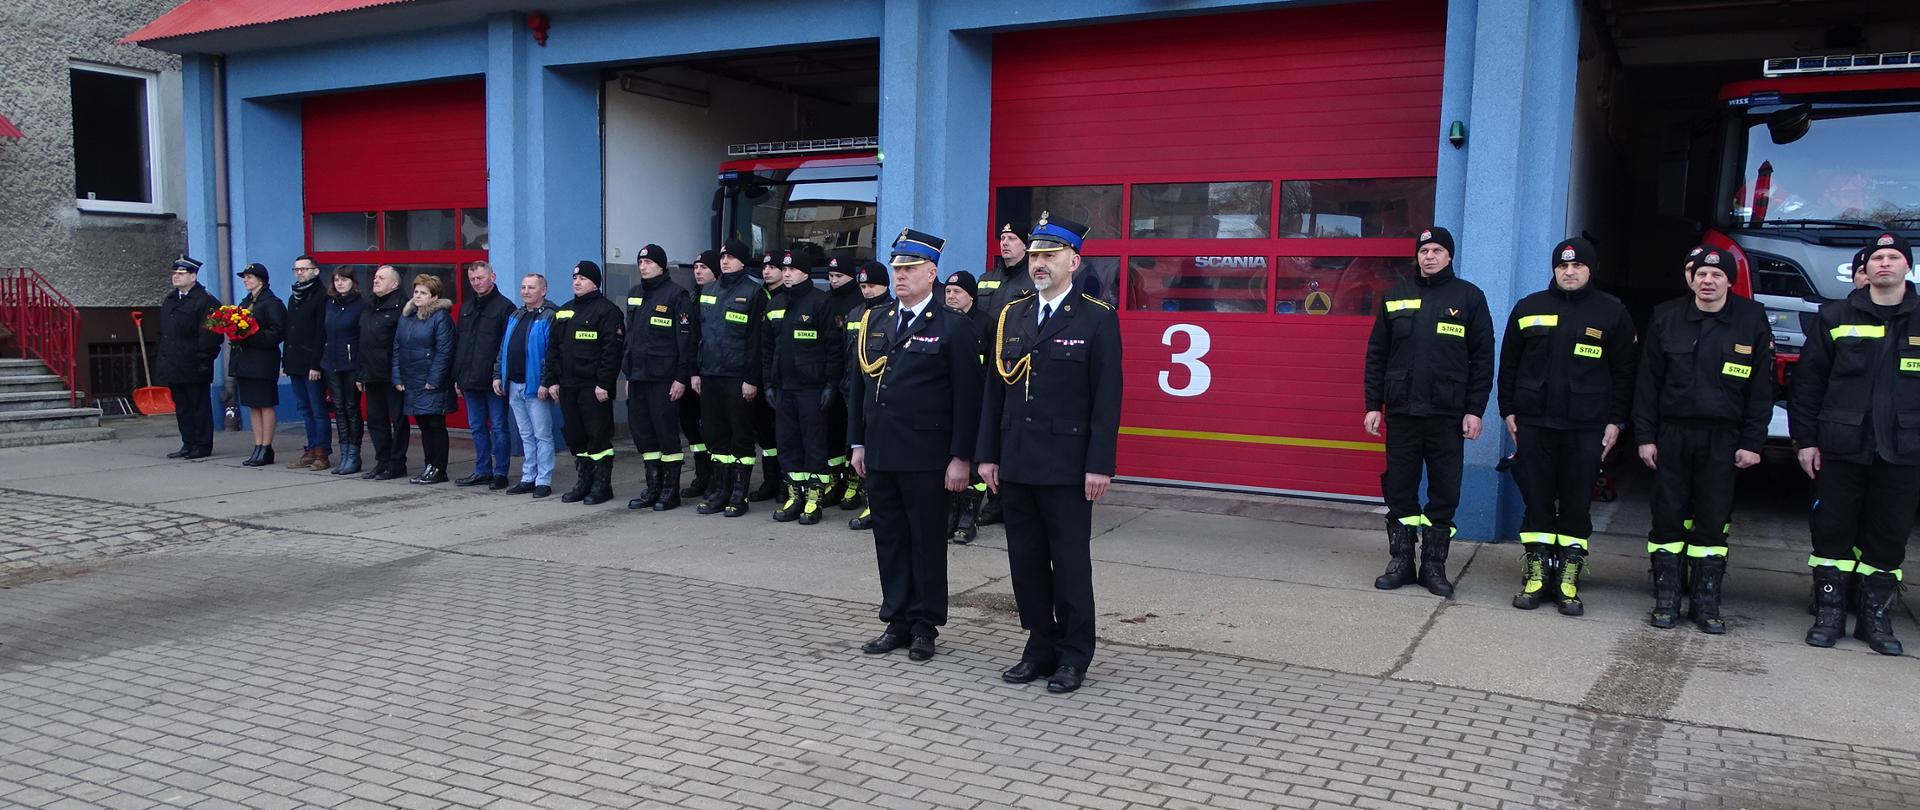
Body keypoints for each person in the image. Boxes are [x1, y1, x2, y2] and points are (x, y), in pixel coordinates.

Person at [977, 214, 1122, 695]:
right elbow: (994, 391)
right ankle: (1039, 645)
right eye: (1035, 255)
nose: (1039, 263)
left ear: (1073, 261)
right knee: (1026, 563)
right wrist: (987, 455)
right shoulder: (1012, 314)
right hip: (1017, 459)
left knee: (1070, 564)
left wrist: (1099, 464)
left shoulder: (1097, 317)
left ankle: (1074, 655)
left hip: (1067, 466)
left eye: (1050, 255)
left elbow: (1107, 398)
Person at [850, 228, 982, 664]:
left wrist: (961, 457)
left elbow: (968, 398)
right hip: (881, 450)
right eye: (896, 268)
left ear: (931, 273)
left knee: (926, 541)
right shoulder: (878, 320)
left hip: (927, 456)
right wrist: (857, 443)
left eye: (909, 268)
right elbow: (859, 387)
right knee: (889, 539)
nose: (900, 275)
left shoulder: (953, 326)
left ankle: (925, 625)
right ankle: (897, 619)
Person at [1791, 231, 1920, 656]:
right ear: (1864, 268)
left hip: (1904, 450)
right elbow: (1808, 384)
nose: (1885, 264)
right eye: (1877, 258)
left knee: (1889, 537)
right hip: (1841, 445)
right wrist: (1806, 440)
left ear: (1907, 266)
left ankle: (1874, 620)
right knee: (1832, 533)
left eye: (1893, 257)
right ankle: (1829, 615)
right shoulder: (1835, 316)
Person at [1633, 246, 1773, 634]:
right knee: (1667, 516)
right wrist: (1645, 436)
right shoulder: (1666, 316)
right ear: (1691, 279)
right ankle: (1666, 599)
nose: (1708, 281)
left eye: (1717, 275)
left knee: (1712, 521)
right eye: (1701, 275)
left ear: (1730, 281)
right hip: (1672, 434)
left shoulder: (1751, 320)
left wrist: (1753, 442)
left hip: (1723, 438)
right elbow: (1647, 383)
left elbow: (1761, 390)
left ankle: (1706, 602)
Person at [1498, 238, 1636, 616]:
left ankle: (1568, 577)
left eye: (1577, 266)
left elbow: (1625, 373)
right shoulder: (1529, 307)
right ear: (1555, 269)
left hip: (1587, 427)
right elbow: (1509, 364)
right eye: (1563, 266)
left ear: (1590, 269)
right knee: (1537, 500)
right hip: (1534, 423)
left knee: (1576, 502)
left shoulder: (1612, 312)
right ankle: (1537, 574)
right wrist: (1507, 410)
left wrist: (1617, 421)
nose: (1569, 272)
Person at [1361, 227, 1495, 597]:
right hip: (1403, 412)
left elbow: (1483, 359)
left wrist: (1475, 410)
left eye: (1437, 250)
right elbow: (1377, 356)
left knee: (1444, 491)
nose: (1430, 256)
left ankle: (1434, 567)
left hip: (1447, 415)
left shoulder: (1469, 297)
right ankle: (1401, 561)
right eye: (1424, 251)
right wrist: (1373, 405)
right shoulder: (1395, 296)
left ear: (1449, 255)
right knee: (1399, 488)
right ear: (1417, 257)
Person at [764, 250, 844, 525]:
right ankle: (794, 497)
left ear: (806, 273)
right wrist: (768, 383)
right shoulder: (775, 303)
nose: (787, 274)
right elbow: (767, 348)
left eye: (792, 270)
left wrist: (831, 384)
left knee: (814, 446)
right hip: (783, 388)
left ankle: (813, 500)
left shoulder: (821, 302)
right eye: (784, 270)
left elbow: (834, 348)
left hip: (812, 388)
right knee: (787, 445)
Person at [692, 241, 767, 517]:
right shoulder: (708, 291)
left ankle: (738, 494)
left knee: (741, 436)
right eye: (723, 256)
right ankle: (720, 490)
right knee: (715, 435)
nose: (725, 261)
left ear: (743, 262)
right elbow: (699, 335)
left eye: (731, 257)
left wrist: (751, 378)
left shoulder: (754, 293)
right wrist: (696, 371)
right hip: (710, 374)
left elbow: (756, 342)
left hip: (737, 376)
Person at [543, 260, 626, 505]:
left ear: (595, 283)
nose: (577, 282)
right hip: (568, 385)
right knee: (576, 435)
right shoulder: (564, 311)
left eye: (583, 278)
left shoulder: (607, 311)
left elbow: (612, 352)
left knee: (598, 436)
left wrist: (604, 383)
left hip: (593, 387)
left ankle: (602, 485)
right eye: (575, 278)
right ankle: (584, 482)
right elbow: (553, 349)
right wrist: (552, 380)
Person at [622, 244, 696, 511]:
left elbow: (685, 341)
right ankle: (653, 488)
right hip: (638, 377)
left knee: (666, 434)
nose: (643, 267)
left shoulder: (677, 295)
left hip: (664, 378)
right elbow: (630, 338)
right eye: (640, 262)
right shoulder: (634, 294)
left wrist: (681, 378)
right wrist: (629, 374)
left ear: (661, 266)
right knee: (644, 435)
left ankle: (670, 491)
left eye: (649, 263)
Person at [975, 222, 1036, 530]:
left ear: (1026, 244)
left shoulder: (1033, 279)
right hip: (985, 365)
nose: (1005, 243)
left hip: (1016, 366)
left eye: (1012, 238)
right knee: (987, 430)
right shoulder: (987, 278)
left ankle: (1010, 500)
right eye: (1002, 237)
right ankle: (993, 498)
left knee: (1011, 431)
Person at [453, 260, 517, 489]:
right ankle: (482, 470)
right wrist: (458, 377)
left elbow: (506, 347)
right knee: (477, 427)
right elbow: (460, 345)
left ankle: (500, 473)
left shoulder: (505, 307)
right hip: (469, 380)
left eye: (480, 278)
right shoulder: (466, 307)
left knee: (499, 427)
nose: (476, 283)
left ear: (492, 277)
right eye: (472, 279)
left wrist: (499, 376)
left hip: (493, 381)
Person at [495, 273, 559, 498]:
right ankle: (528, 477)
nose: (525, 291)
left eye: (531, 287)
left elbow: (552, 353)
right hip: (514, 384)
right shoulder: (516, 315)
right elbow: (504, 348)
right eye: (523, 287)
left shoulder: (550, 315)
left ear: (543, 290)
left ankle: (543, 480)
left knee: (542, 435)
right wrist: (497, 375)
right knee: (525, 434)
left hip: (536, 387)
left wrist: (545, 381)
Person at [841, 260, 892, 531]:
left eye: (872, 285)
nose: (867, 291)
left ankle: (876, 504)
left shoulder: (893, 313)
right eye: (862, 286)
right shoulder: (854, 313)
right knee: (857, 448)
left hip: (879, 393)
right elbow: (846, 353)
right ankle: (865, 496)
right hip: (853, 389)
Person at [392, 274, 457, 484]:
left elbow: (445, 351)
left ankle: (439, 468)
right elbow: (397, 348)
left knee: (435, 425)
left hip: (431, 382)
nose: (418, 296)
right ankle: (429, 465)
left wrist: (434, 379)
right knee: (423, 425)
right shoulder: (407, 316)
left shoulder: (440, 317)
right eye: (416, 292)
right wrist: (398, 377)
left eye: (423, 293)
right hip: (412, 379)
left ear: (434, 296)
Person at [156, 257, 222, 459]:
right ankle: (188, 442)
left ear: (193, 277)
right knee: (182, 406)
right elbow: (164, 333)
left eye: (181, 273)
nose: (175, 276)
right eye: (174, 273)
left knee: (198, 406)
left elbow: (211, 334)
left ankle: (202, 445)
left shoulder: (205, 301)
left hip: (195, 363)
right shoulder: (171, 299)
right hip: (174, 362)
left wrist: (203, 359)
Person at [943, 268, 991, 544]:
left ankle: (968, 516)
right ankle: (951, 512)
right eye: (948, 291)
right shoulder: (943, 322)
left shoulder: (986, 324)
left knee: (972, 463)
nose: (951, 296)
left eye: (957, 291)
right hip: (949, 403)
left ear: (971, 296)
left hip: (980, 404)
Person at [232, 263, 286, 467]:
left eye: (250, 277)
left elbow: (277, 331)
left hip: (263, 360)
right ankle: (257, 445)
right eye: (245, 277)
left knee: (265, 403)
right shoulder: (246, 301)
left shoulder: (271, 303)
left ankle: (266, 447)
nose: (245, 281)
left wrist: (251, 336)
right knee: (253, 405)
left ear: (261, 280)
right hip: (246, 360)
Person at [281, 255, 332, 471]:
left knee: (318, 409)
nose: (300, 273)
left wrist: (315, 365)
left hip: (312, 363)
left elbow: (321, 333)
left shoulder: (322, 296)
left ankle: (322, 452)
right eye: (297, 269)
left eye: (304, 269)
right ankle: (311, 448)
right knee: (304, 408)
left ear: (316, 271)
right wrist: (286, 362)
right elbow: (290, 331)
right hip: (295, 361)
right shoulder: (294, 297)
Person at [358, 266, 410, 480]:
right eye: (375, 277)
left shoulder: (403, 307)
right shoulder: (369, 305)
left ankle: (397, 463)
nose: (376, 280)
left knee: (398, 421)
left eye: (381, 277)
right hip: (371, 373)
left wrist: (401, 373)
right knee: (375, 420)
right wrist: (360, 373)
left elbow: (405, 342)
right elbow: (362, 340)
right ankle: (382, 461)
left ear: (394, 284)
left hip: (393, 374)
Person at [819, 257, 863, 509]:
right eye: (831, 276)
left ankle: (854, 483)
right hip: (832, 376)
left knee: (852, 434)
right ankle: (834, 480)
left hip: (853, 379)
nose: (834, 281)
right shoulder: (826, 301)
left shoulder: (859, 302)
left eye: (839, 276)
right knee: (832, 433)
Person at [677, 253, 719, 501]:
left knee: (713, 429)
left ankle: (717, 478)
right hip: (691, 371)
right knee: (691, 427)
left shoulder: (720, 296)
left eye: (704, 267)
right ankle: (702, 474)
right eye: (695, 267)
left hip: (712, 373)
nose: (698, 271)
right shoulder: (692, 298)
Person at [320, 267, 367, 475]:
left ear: (353, 282)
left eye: (344, 280)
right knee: (338, 408)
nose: (340, 283)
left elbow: (363, 336)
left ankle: (354, 454)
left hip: (351, 363)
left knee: (351, 407)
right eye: (337, 280)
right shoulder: (330, 304)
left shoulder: (361, 305)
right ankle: (345, 452)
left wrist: (361, 367)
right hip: (332, 362)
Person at [750, 252, 787, 504]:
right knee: (764, 434)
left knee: (783, 433)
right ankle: (770, 480)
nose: (767, 271)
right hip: (761, 373)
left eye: (773, 267)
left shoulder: (788, 297)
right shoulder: (757, 296)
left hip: (783, 377)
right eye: (764, 267)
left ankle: (785, 483)